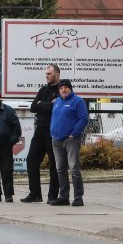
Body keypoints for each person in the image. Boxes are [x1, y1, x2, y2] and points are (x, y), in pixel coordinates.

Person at [22, 64, 61, 203]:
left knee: (54, 164)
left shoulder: (61, 90)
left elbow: (54, 109)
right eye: (46, 74)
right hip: (40, 130)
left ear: (56, 74)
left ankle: (52, 196)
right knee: (31, 160)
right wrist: (45, 105)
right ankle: (35, 193)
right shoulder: (43, 90)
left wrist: (42, 105)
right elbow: (33, 107)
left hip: (53, 131)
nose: (47, 76)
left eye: (49, 74)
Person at [49, 79, 89, 207]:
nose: (63, 90)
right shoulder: (57, 101)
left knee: (74, 169)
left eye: (66, 87)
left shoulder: (78, 101)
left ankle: (78, 198)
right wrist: (52, 131)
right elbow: (53, 117)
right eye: (61, 88)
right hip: (56, 139)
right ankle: (63, 197)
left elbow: (83, 118)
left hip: (71, 139)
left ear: (70, 88)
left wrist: (74, 133)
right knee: (60, 169)